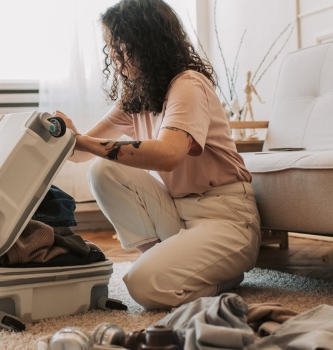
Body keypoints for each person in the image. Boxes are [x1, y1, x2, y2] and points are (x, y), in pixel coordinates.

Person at [52, 0, 261, 310]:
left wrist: (83, 142)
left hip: (226, 216)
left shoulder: (188, 84)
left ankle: (221, 279)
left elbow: (168, 154)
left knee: (144, 286)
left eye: (116, 45)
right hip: (177, 212)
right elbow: (82, 152)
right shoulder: (137, 97)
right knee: (102, 170)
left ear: (143, 42)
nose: (112, 54)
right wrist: (56, 136)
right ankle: (168, 261)